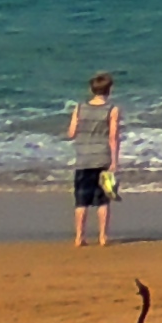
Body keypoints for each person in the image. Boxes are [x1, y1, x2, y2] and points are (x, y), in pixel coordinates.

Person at [66, 73, 120, 246]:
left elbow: (71, 133)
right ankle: (103, 237)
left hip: (83, 158)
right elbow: (113, 137)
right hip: (102, 158)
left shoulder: (80, 108)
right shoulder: (112, 109)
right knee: (103, 200)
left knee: (81, 201)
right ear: (109, 90)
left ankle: (79, 237)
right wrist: (114, 161)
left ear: (91, 89)